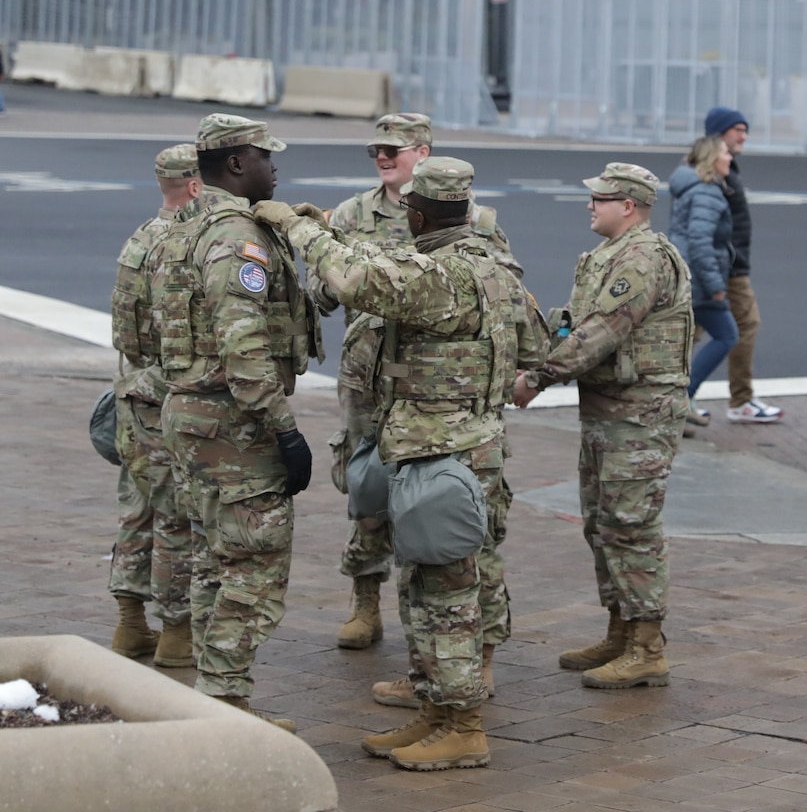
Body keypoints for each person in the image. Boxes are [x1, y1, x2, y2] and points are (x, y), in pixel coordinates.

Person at [255, 157, 548, 771]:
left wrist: (300, 230)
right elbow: (394, 267)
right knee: (423, 585)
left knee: (447, 596)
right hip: (444, 446)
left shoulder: (445, 276)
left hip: (446, 450)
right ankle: (437, 711)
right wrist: (333, 230)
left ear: (416, 214)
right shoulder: (491, 264)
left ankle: (464, 726)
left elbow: (364, 280)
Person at [320, 113, 523, 716]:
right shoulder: (351, 215)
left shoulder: (475, 226)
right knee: (371, 494)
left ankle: (469, 663)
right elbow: (325, 291)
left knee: (453, 522)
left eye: (393, 148)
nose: (382, 157)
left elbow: (505, 305)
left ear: (423, 154)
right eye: (375, 149)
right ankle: (370, 605)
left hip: (443, 399)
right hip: (371, 385)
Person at [155, 114, 320, 732]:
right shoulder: (235, 237)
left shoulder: (183, 227)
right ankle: (224, 705)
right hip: (233, 425)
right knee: (254, 562)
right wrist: (284, 428)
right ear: (233, 164)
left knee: (213, 558)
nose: (274, 167)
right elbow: (243, 346)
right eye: (264, 157)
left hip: (192, 415)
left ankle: (210, 695)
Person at [512, 163, 692, 690]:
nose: (590, 204)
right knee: (603, 521)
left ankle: (648, 647)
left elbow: (600, 333)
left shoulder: (640, 259)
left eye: (601, 197)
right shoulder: (611, 256)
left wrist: (539, 377)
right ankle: (621, 630)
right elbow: (578, 324)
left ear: (629, 205)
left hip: (639, 414)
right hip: (609, 411)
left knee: (631, 526)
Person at [107, 143, 201, 669]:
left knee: (136, 507)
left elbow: (123, 328)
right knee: (176, 516)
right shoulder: (187, 245)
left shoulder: (138, 239)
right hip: (171, 392)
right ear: (194, 186)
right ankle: (176, 632)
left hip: (134, 390)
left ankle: (129, 624)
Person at [703, 106, 782, 424]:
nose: (744, 136)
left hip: (722, 264)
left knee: (691, 332)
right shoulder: (715, 170)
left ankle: (675, 399)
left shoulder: (724, 167)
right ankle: (740, 400)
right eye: (738, 129)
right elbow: (703, 226)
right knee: (743, 325)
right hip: (724, 268)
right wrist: (720, 268)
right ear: (719, 133)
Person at [667, 134, 738, 427]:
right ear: (712, 158)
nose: (730, 157)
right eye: (725, 152)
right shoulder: (706, 193)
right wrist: (716, 287)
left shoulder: (692, 188)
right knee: (727, 335)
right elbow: (700, 242)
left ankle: (679, 403)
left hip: (686, 277)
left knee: (679, 344)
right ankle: (683, 398)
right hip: (698, 282)